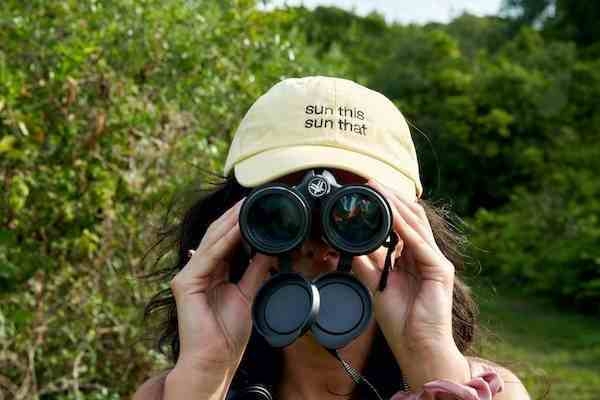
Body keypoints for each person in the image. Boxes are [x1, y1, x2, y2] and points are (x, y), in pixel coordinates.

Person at [134, 76, 531, 400]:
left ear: (408, 229)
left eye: (357, 213)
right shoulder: (171, 393)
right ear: (232, 222)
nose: (319, 241)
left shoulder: (492, 392)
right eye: (281, 211)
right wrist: (206, 371)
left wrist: (428, 357)